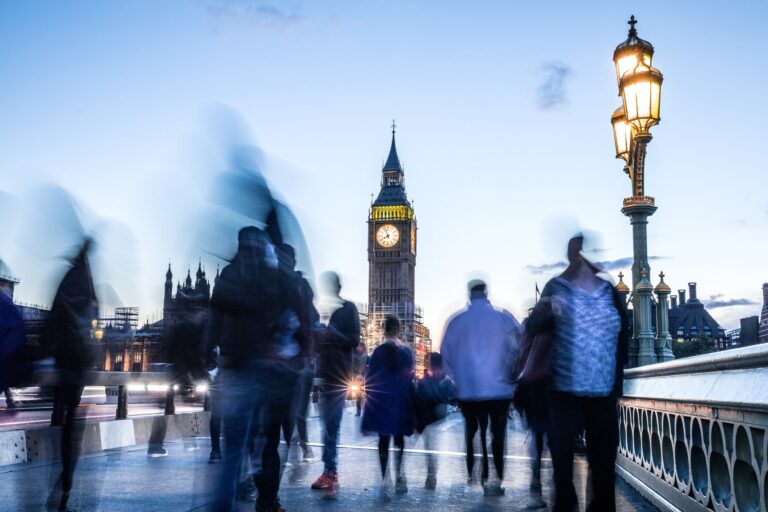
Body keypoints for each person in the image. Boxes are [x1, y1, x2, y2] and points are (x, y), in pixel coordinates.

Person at [525, 233, 629, 512]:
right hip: (565, 394)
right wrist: (550, 312)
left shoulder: (609, 292)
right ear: (576, 255)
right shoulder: (556, 287)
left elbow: (623, 339)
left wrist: (617, 384)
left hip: (603, 395)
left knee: (604, 471)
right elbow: (531, 326)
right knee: (563, 473)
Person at [209, 226, 298, 512]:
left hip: (230, 367)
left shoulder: (228, 276)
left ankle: (227, 500)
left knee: (234, 448)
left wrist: (206, 353)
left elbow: (214, 319)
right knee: (264, 438)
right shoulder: (265, 278)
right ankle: (264, 492)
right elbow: (283, 312)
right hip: (256, 371)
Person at [440, 279, 521, 496]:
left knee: (474, 429)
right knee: (498, 432)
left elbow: (445, 354)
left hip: (470, 390)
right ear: (486, 293)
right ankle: (496, 474)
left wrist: (457, 377)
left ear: (469, 295)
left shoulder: (457, 321)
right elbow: (521, 341)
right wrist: (512, 367)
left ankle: (476, 468)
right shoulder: (503, 317)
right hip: (499, 388)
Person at [40, 240, 99, 512]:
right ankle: (66, 482)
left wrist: (43, 355)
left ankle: (62, 479)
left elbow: (53, 318)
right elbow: (94, 326)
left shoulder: (68, 279)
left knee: (61, 420)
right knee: (71, 426)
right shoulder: (88, 284)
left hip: (64, 361)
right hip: (78, 364)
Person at [310, 271, 360, 498]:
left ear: (337, 286)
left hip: (339, 376)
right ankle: (330, 468)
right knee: (327, 424)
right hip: (324, 374)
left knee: (331, 424)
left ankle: (330, 470)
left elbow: (354, 339)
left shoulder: (348, 309)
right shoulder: (326, 311)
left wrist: (331, 333)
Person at [361, 315, 414, 500]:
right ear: (398, 330)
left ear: (384, 330)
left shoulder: (377, 352)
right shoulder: (406, 352)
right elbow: (409, 379)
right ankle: (399, 475)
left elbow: (369, 379)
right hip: (399, 402)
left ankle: (385, 479)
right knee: (399, 439)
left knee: (383, 440)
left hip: (383, 402)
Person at [414, 352, 456, 490]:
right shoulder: (445, 382)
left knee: (429, 447)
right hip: (432, 419)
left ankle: (431, 476)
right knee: (430, 448)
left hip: (429, 421)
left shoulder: (426, 382)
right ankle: (431, 476)